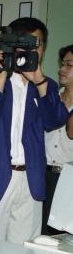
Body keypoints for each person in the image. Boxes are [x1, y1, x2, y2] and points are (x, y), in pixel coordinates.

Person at [0, 18, 70, 244]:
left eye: (36, 44)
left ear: (43, 48)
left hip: (31, 179)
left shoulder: (46, 85)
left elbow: (55, 120)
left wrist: (39, 81)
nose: (30, 50)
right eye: (24, 44)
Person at [42, 44, 73, 235]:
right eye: (62, 64)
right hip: (44, 175)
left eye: (69, 65)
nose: (61, 70)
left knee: (64, 235)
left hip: (69, 177)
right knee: (42, 234)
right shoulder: (51, 97)